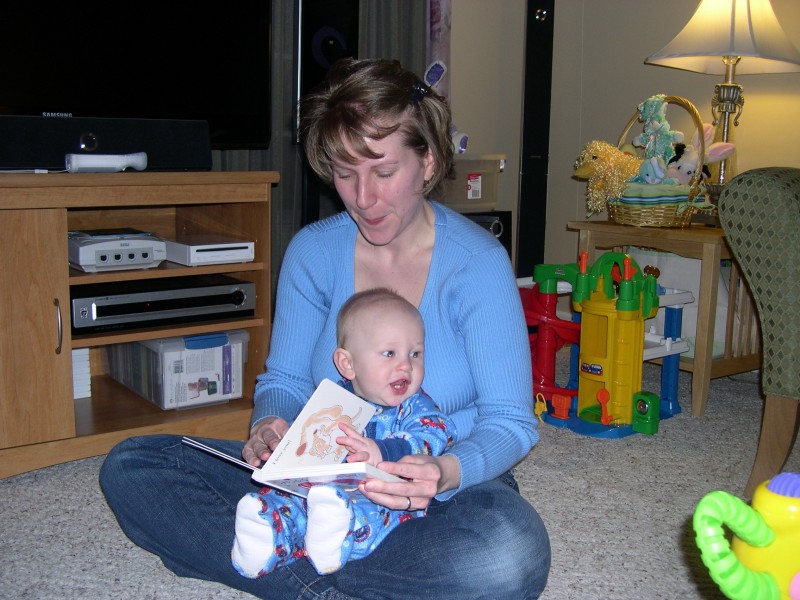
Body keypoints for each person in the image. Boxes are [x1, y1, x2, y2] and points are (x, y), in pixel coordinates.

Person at [100, 57, 551, 599]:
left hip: (429, 487)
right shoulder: (313, 251)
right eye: (344, 173)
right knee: (135, 465)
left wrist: (444, 471)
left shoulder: (477, 263)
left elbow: (510, 422)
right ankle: (321, 564)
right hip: (314, 481)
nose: (363, 198)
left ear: (427, 161)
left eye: (383, 172)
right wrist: (269, 426)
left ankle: (280, 560)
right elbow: (285, 381)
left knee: (509, 555)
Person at [232, 287, 455, 577]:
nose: (405, 365)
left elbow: (435, 434)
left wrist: (384, 451)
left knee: (379, 515)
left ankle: (337, 540)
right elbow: (307, 438)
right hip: (320, 491)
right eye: (389, 353)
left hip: (384, 498)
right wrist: (283, 453)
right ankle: (264, 537)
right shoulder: (332, 401)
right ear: (347, 364)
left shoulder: (415, 406)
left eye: (415, 353)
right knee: (287, 502)